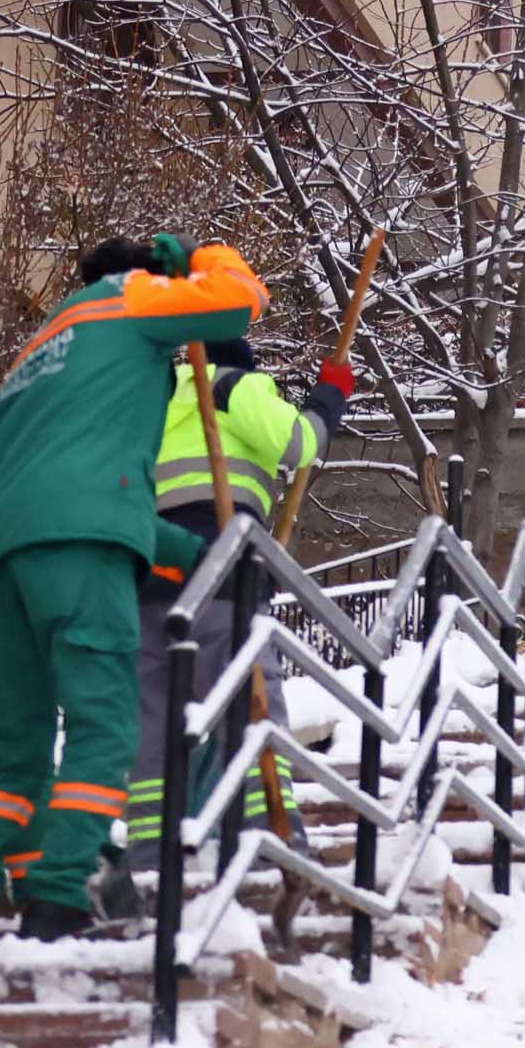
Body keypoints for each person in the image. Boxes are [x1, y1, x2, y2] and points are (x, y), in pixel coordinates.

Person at [0, 234, 268, 939]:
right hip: (81, 549)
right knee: (104, 728)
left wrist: (194, 556)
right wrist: (206, 259)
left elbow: (69, 481)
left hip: (2, 555)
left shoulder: (42, 346)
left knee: (13, 752)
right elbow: (242, 303)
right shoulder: (134, 298)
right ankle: (57, 897)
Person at [124, 334, 357, 865]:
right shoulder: (232, 385)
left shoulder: (154, 402)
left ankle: (151, 850)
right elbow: (301, 444)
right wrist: (331, 395)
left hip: (149, 575)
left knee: (154, 713)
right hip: (221, 571)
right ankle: (270, 832)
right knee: (251, 702)